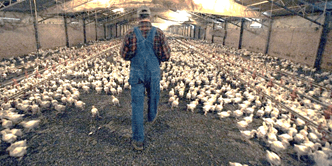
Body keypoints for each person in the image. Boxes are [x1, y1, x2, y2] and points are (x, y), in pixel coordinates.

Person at [120, 6, 171, 150]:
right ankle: (151, 116)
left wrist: (133, 56)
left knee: (136, 105)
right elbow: (166, 56)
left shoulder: (130, 33)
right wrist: (157, 57)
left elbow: (124, 55)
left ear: (138, 18)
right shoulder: (159, 33)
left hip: (137, 74)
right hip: (153, 73)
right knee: (154, 96)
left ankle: (138, 141)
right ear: (150, 18)